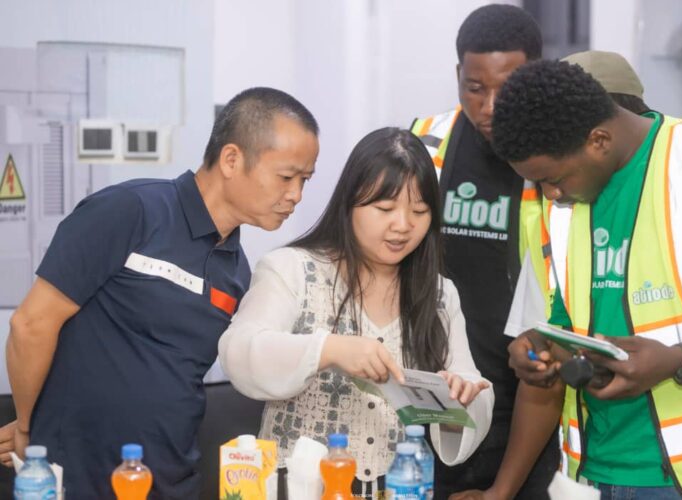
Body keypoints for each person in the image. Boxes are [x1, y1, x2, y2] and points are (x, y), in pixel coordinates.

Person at [2, 87, 320, 499]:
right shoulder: (130, 211)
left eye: (305, 180)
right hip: (79, 477)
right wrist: (28, 427)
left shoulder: (235, 271)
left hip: (171, 480)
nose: (296, 195)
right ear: (231, 159)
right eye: (286, 177)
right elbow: (30, 325)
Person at [494, 59, 682, 500]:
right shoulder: (567, 196)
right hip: (593, 471)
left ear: (598, 141)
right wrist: (541, 348)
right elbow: (571, 324)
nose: (550, 195)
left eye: (552, 180)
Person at [218, 127, 494, 498]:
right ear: (349, 204)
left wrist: (462, 398)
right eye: (385, 209)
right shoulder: (293, 270)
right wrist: (328, 350)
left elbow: (472, 386)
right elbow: (238, 351)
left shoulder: (439, 294)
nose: (403, 225)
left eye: (419, 211)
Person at [450, 50, 655, 500]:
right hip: (589, 472)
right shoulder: (556, 219)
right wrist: (500, 492)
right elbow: (543, 376)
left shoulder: (681, 185)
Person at [409, 5, 559, 498]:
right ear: (458, 75)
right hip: (437, 397)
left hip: (530, 400)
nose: (490, 106)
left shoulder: (561, 158)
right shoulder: (424, 141)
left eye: (507, 87)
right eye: (475, 88)